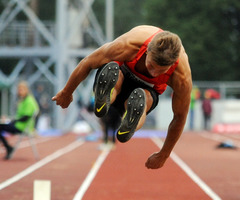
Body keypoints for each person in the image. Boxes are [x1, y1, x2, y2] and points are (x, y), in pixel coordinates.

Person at [52, 25, 192, 169]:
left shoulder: (181, 77)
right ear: (148, 49)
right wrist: (66, 92)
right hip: (122, 72)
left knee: (144, 100)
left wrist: (164, 154)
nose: (154, 73)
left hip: (146, 90)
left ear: (173, 64)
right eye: (151, 66)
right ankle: (107, 96)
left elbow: (180, 117)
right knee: (116, 74)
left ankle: (129, 119)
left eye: (161, 71)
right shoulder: (129, 44)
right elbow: (89, 62)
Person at [0, 81, 39, 160]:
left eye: (21, 89)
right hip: (19, 125)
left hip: (22, 127)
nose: (19, 91)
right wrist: (9, 119)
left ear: (26, 90)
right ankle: (8, 147)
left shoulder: (29, 101)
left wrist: (13, 121)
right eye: (19, 89)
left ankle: (8, 148)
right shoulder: (22, 100)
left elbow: (26, 117)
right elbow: (19, 116)